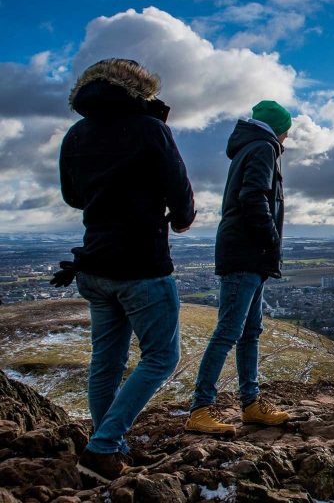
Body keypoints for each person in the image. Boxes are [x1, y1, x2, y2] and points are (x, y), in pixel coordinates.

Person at [57, 58, 195, 481]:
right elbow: (180, 193)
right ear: (141, 89)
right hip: (141, 265)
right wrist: (178, 216)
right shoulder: (151, 129)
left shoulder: (76, 134)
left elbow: (72, 196)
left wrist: (108, 199)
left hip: (94, 264)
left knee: (107, 361)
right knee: (160, 356)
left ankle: (109, 446)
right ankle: (102, 447)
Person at [185, 100, 291, 435]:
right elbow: (254, 197)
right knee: (230, 331)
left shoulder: (252, 147)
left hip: (250, 253)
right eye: (287, 130)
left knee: (249, 331)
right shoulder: (262, 147)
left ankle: (251, 404)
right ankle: (200, 409)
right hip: (246, 252)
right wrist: (270, 237)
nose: (289, 137)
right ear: (279, 128)